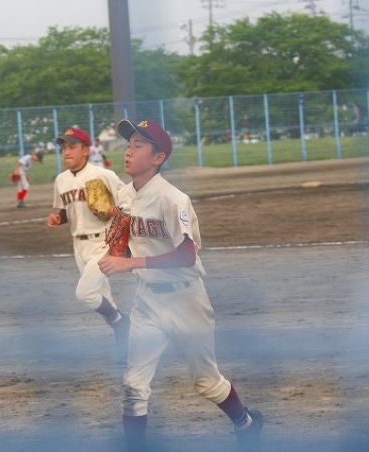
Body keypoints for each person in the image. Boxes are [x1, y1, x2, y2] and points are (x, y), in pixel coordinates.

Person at [97, 118, 263, 452]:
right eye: (128, 145)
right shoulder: (124, 195)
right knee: (133, 387)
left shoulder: (173, 199)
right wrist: (115, 249)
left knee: (206, 383)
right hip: (146, 303)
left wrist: (130, 262)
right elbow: (124, 243)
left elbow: (186, 255)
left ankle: (246, 423)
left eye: (138, 146)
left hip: (186, 301)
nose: (128, 151)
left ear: (158, 158)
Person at [46, 126, 129, 364]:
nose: (66, 152)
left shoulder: (103, 175)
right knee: (103, 297)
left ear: (85, 150)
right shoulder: (61, 180)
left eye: (72, 147)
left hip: (103, 243)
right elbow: (66, 212)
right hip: (78, 246)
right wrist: (57, 218)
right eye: (64, 147)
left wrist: (110, 212)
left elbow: (129, 203)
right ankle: (126, 341)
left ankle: (123, 323)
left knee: (85, 293)